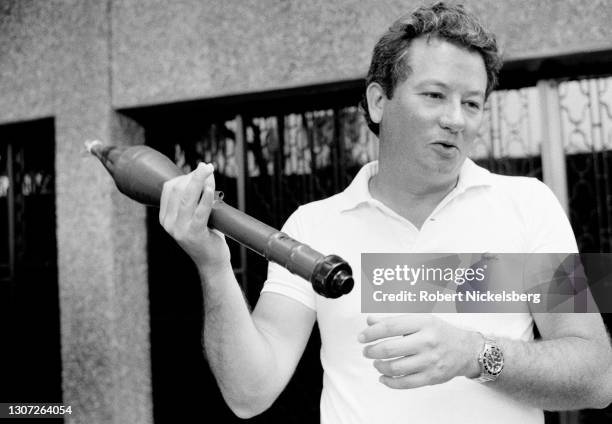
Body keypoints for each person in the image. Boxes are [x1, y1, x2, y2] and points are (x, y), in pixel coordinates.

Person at [159, 2, 612, 423]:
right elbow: (248, 394)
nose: (456, 118)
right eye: (434, 95)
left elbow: (596, 377)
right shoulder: (313, 225)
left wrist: (474, 354)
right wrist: (213, 264)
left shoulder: (528, 205)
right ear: (379, 101)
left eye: (472, 102)